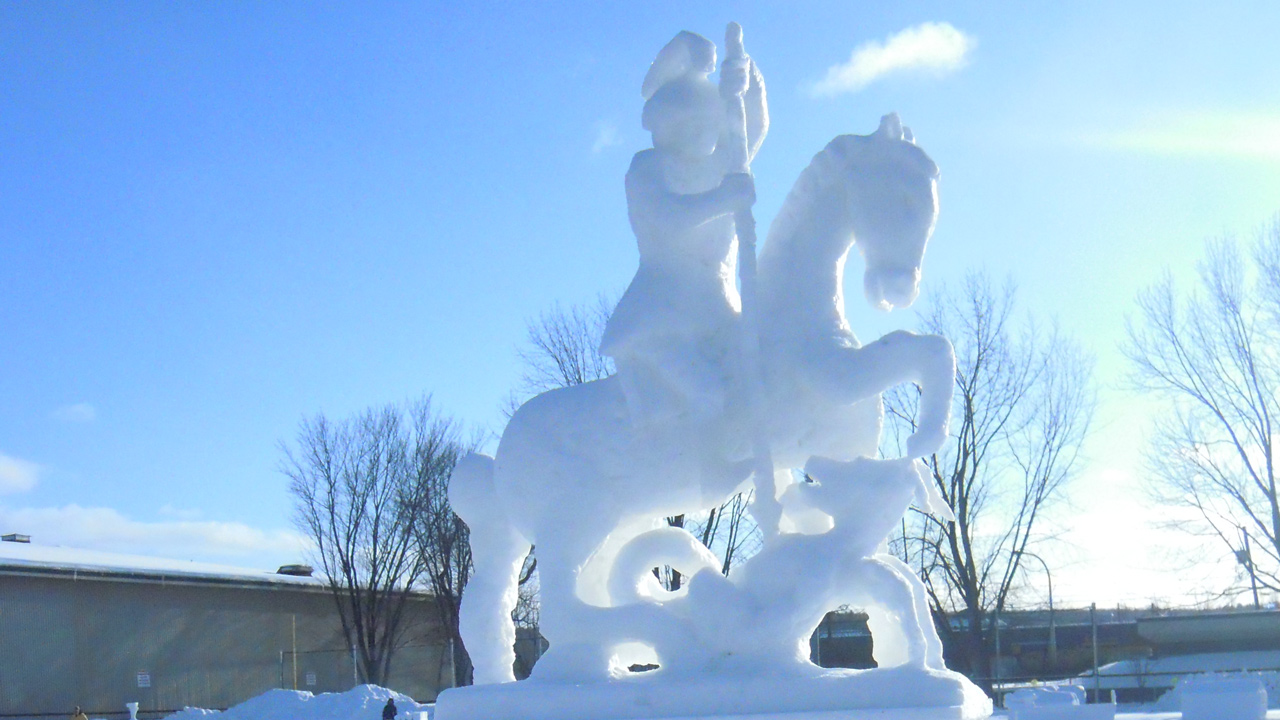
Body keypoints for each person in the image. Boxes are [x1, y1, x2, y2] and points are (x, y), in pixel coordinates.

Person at [601, 29, 767, 437]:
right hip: (661, 313)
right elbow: (666, 219)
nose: (698, 133)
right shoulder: (647, 168)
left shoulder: (719, 166)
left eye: (705, 123)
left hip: (718, 308)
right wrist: (724, 198)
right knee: (708, 394)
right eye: (686, 124)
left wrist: (745, 79)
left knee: (762, 375)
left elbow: (753, 127)